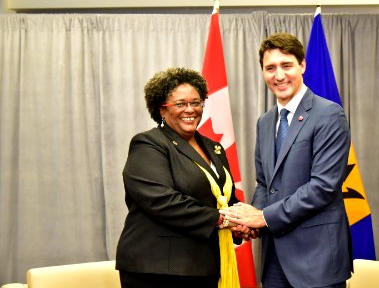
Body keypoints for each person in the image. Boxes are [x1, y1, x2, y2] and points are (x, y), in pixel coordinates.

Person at [220, 33, 353, 288]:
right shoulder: (266, 121)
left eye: (286, 65)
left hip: (317, 260)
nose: (278, 76)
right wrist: (250, 220)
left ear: (302, 65)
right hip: (274, 260)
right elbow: (264, 183)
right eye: (270, 68)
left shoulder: (329, 115)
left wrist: (262, 217)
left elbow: (323, 187)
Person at [116, 67, 246, 288]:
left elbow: (225, 199)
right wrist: (223, 220)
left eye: (196, 102)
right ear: (161, 109)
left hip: (205, 265)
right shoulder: (149, 144)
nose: (190, 110)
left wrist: (244, 220)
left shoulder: (214, 147)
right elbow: (161, 201)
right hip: (158, 270)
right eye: (180, 104)